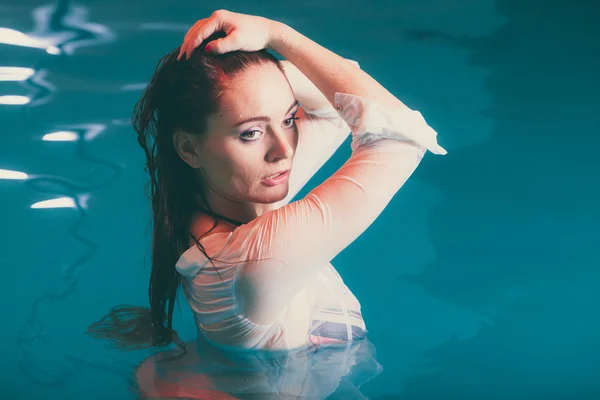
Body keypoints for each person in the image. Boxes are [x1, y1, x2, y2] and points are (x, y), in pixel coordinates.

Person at [89, 9, 447, 398]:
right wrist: (279, 36)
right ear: (189, 147)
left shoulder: (213, 195)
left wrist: (250, 71)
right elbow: (402, 135)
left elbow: (333, 106)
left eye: (290, 120)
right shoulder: (259, 255)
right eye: (251, 133)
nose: (283, 151)